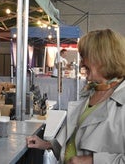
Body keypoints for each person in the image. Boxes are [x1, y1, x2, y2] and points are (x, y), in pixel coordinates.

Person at [26, 29, 125, 164]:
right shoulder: (93, 92)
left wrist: (92, 161)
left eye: (85, 56)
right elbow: (75, 141)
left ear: (103, 58)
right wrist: (47, 144)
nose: (82, 63)